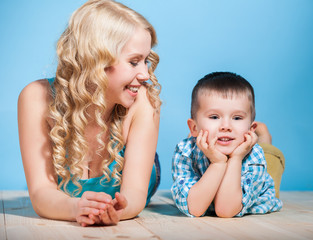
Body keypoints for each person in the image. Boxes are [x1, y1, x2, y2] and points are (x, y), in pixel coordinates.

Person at [18, 0, 161, 227]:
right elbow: (41, 192)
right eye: (134, 62)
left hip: (136, 170)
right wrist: (76, 208)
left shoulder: (144, 102)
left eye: (146, 61)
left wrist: (119, 210)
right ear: (96, 61)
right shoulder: (35, 97)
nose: (145, 74)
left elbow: (134, 193)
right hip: (69, 195)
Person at [171, 72, 283, 217]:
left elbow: (225, 211)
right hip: (204, 144)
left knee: (271, 158)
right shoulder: (185, 151)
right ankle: (200, 132)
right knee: (197, 142)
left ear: (250, 129)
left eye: (237, 117)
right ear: (193, 127)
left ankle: (264, 138)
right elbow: (195, 209)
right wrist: (218, 163)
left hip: (257, 185)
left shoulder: (255, 157)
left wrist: (235, 158)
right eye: (214, 117)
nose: (226, 126)